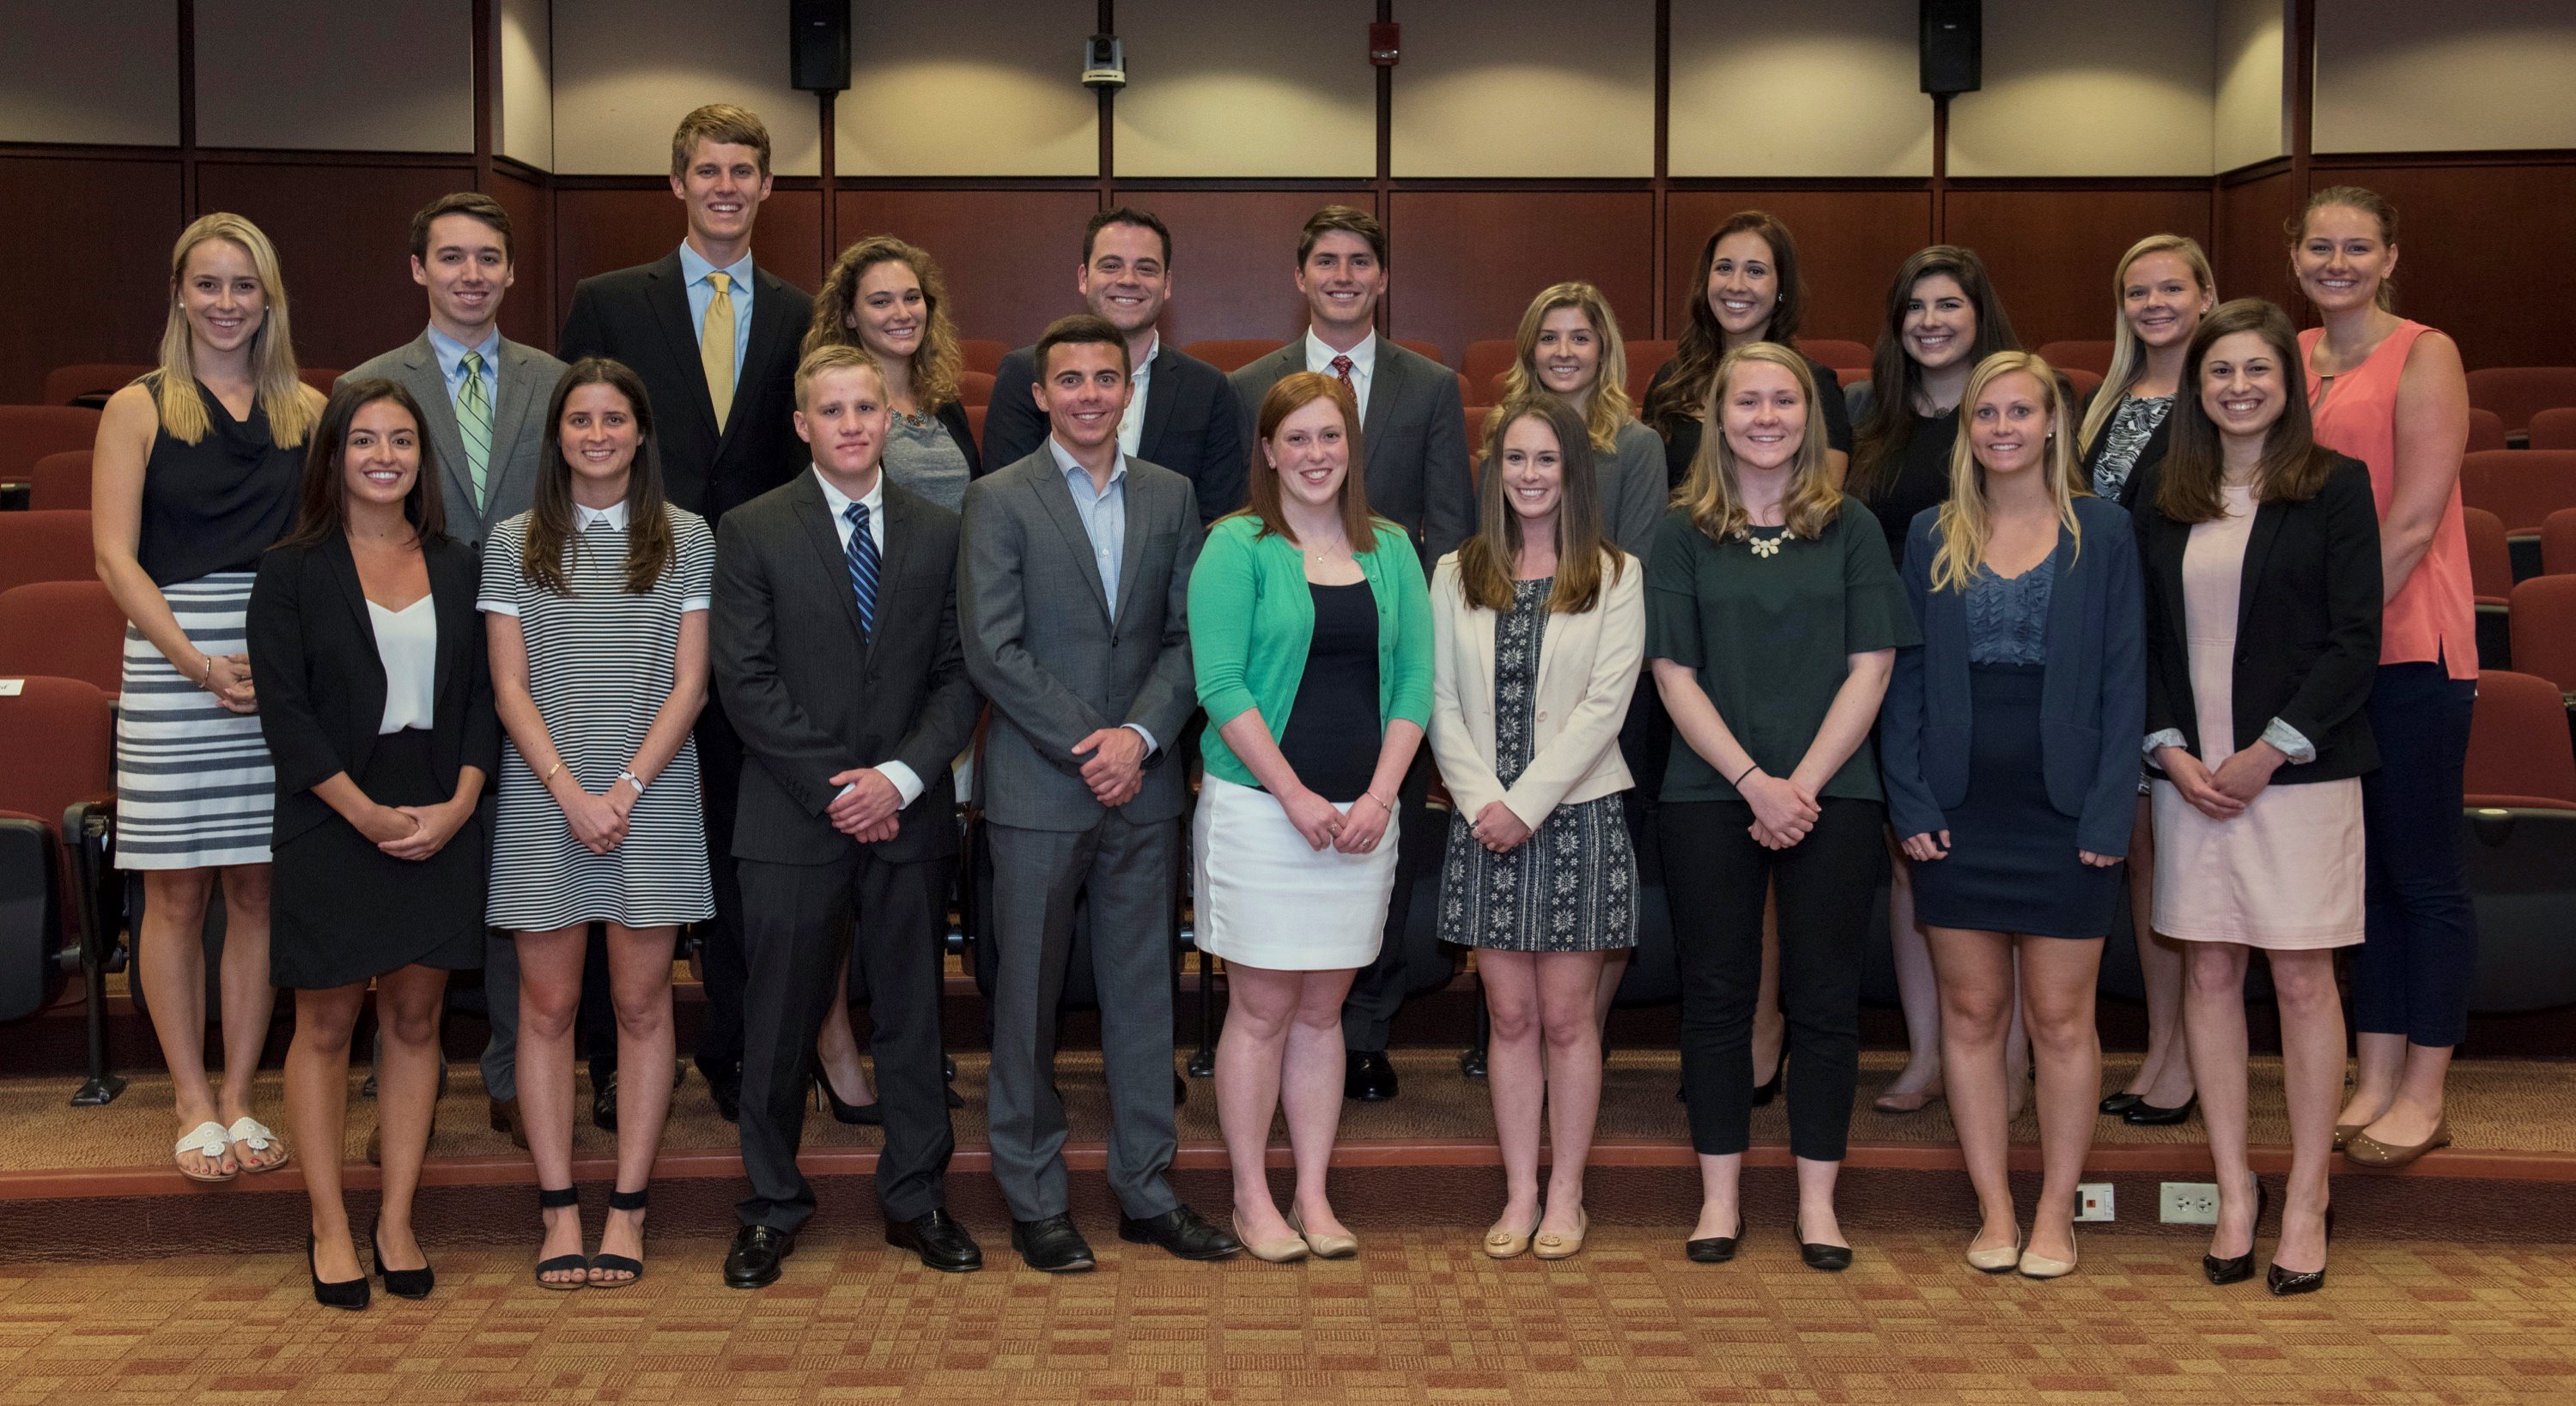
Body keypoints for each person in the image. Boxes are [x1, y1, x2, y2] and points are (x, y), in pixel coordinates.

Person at [959, 313, 1237, 1272]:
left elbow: (1192, 635)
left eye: (1104, 378)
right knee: (1026, 1003)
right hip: (1041, 788)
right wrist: (1095, 744)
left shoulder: (1173, 494)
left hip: (1146, 786)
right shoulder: (999, 498)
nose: (1087, 394)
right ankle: (1034, 1197)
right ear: (1041, 395)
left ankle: (1145, 1190)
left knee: (1142, 998)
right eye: (1068, 379)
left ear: (1129, 391)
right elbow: (994, 649)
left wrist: (1142, 737)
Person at [556, 104, 813, 1126]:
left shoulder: (801, 313)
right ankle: (612, 1058)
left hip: (753, 614)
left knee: (745, 845)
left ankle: (740, 1050)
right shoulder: (609, 302)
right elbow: (574, 438)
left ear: (765, 188)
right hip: (622, 604)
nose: (724, 186)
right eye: (706, 170)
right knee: (612, 834)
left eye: (743, 170)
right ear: (677, 184)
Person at [711, 345, 985, 1288]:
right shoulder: (751, 530)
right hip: (793, 817)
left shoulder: (937, 528)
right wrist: (842, 787)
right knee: (779, 1019)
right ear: (803, 424)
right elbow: (744, 681)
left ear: (888, 416)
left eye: (867, 406)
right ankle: (771, 1207)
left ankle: (916, 1201)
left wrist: (901, 780)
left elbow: (959, 675)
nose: (853, 424)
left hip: (909, 815)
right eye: (833, 410)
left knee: (913, 1017)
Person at [1648, 343, 1914, 1272]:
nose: (1766, 417)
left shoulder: (1851, 527)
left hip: (1832, 791)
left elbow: (1871, 664)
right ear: (1718, 417)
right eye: (1747, 401)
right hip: (1707, 791)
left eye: (1784, 402)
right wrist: (1754, 782)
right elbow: (1672, 674)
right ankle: (1719, 1202)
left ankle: (1817, 1205)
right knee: (1718, 999)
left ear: (1810, 417)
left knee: (1825, 1001)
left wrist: (1799, 781)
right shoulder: (1681, 532)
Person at [1880, 353, 2144, 1280]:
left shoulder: (2104, 532)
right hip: (1955, 810)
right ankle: (1992, 1206)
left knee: (2064, 1019)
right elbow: (1901, 681)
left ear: (2050, 424)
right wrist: (1908, 800)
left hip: (2068, 809)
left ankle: (2053, 1212)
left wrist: (2111, 816)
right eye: (1985, 412)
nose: (2001, 427)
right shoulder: (1928, 533)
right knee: (1973, 1010)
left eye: (2019, 411)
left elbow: (2124, 682)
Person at [2138, 297, 2380, 1296]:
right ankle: (2235, 1190)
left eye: (2257, 372)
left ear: (2291, 383)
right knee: (2206, 977)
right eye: (2220, 373)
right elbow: (2141, 640)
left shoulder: (2333, 487)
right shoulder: (2162, 493)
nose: (2238, 388)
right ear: (2197, 388)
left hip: (2297, 778)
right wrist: (2172, 750)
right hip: (2191, 782)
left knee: (2300, 981)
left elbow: (2353, 640)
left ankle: (2310, 1193)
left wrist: (2266, 753)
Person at [248, 379, 495, 1308]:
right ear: (334, 457)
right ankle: (327, 1223)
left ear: (421, 459)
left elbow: (483, 700)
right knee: (324, 1023)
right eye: (363, 440)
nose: (383, 455)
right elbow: (289, 717)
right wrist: (360, 815)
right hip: (331, 815)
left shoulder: (460, 564)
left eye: (401, 440)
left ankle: (395, 1216)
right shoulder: (291, 570)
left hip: (438, 811)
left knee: (417, 1020)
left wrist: (462, 803)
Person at [92, 212, 324, 1183]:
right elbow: (111, 554)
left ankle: (240, 1094)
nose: (226, 303)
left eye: (243, 286)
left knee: (260, 888)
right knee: (175, 892)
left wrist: (280, 663)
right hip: (172, 666)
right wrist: (195, 663)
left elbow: (328, 554)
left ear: (268, 298)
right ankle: (189, 1099)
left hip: (277, 663)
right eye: (208, 285)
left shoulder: (311, 410)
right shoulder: (138, 408)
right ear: (180, 294)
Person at [1229, 204, 1473, 1103]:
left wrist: (1413, 632)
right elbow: (1239, 518)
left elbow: (1450, 525)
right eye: (1325, 260)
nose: (1342, 274)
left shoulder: (1430, 384)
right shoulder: (1250, 383)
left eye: (1359, 261)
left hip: (1385, 663)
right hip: (1279, 668)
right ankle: (1259, 1025)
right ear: (1300, 276)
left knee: (1385, 855)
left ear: (1381, 278)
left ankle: (1365, 1029)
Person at [343, 190, 570, 1152]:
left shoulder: (557, 381)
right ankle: (405, 1077)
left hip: (537, 647)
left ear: (512, 272)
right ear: (418, 269)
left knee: (523, 863)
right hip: (411, 650)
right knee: (410, 863)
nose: (471, 275)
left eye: (488, 259)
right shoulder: (365, 386)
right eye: (451, 258)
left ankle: (522, 1070)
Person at [480, 358, 714, 1289]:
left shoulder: (688, 538)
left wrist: (620, 787)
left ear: (641, 432)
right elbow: (508, 685)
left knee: (641, 1005)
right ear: (558, 436)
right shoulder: (514, 541)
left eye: (615, 418)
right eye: (581, 420)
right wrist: (570, 789)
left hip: (650, 795)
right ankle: (555, 1208)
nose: (598, 435)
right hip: (546, 797)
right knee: (546, 1008)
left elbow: (690, 683)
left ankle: (627, 1207)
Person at [1189, 372, 1432, 1264]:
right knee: (1260, 1007)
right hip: (1261, 814)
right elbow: (1219, 686)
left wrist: (1377, 797)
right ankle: (1253, 1198)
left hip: (1363, 820)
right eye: (1296, 439)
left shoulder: (1394, 548)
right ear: (1268, 452)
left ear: (1352, 448)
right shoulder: (1236, 546)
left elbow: (1415, 683)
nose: (1315, 455)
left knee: (1326, 1011)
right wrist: (1294, 795)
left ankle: (1315, 1194)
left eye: (1331, 437)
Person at [2292, 187, 2479, 1171]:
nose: (2337, 262)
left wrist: (2342, 642)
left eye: (2356, 247)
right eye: (2320, 246)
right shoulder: (2290, 354)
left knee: (2424, 875)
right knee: (2359, 885)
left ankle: (2425, 1089)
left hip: (2408, 650)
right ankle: (2372, 1077)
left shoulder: (2424, 351)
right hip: (2332, 663)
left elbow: (2412, 518)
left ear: (2389, 256)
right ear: (2296, 259)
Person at [1430, 391, 1641, 1261]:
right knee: (1508, 1017)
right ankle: (1519, 1191)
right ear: (1494, 469)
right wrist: (1489, 801)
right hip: (1482, 820)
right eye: (1515, 459)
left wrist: (1528, 803)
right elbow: (1438, 699)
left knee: (1565, 1018)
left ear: (1573, 473)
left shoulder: (1616, 574)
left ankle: (1567, 1192)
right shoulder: (1454, 571)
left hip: (1579, 817)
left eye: (1546, 460)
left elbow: (1605, 706)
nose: (1529, 475)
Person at [1846, 245, 2026, 1117]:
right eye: (1916, 307)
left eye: (1949, 305)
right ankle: (1927, 1055)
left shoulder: (2010, 412)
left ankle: (2012, 1056)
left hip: (1981, 658)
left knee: (1997, 855)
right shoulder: (1866, 415)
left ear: (1978, 313)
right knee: (1913, 857)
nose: (1931, 322)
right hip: (1882, 655)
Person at [2075, 234, 2215, 1129]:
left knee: (2181, 866)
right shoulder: (2102, 404)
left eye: (2171, 288)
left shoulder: (2221, 397)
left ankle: (2184, 1057)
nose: (2154, 304)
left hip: (2191, 650)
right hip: (2111, 653)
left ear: (2205, 296)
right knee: (2139, 859)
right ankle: (2163, 1043)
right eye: (2137, 291)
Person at [983, 208, 1246, 524]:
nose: (1128, 280)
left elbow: (1215, 521)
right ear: (1084, 277)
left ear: (1167, 284)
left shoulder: (1208, 388)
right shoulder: (1023, 374)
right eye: (1111, 266)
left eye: (1146, 268)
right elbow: (1009, 506)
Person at [1640, 209, 1855, 488]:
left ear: (1781, 288)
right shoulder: (1669, 381)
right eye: (1724, 268)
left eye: (1755, 271)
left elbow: (1822, 500)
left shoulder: (1814, 384)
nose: (1736, 285)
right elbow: (1647, 494)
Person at [803, 234, 982, 513]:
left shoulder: (944, 402)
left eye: (911, 298)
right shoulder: (834, 409)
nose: (902, 314)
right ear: (850, 315)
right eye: (881, 302)